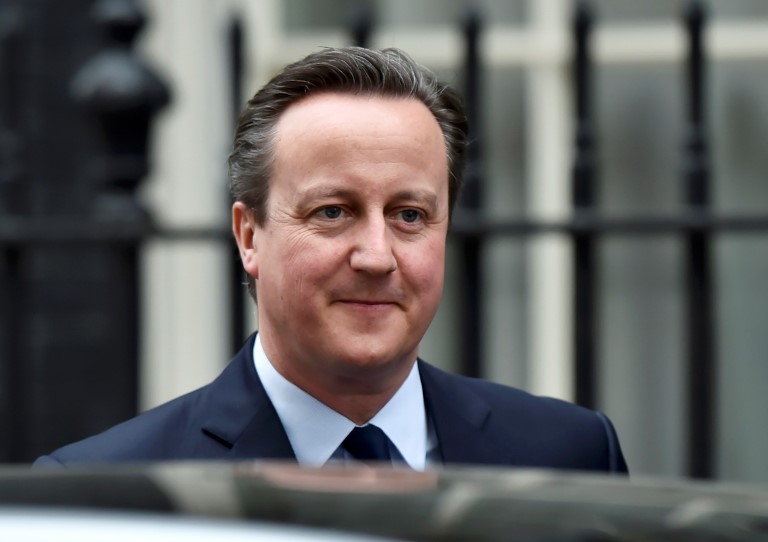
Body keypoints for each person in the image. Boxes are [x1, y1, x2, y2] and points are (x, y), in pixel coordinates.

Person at [35, 47, 627, 473]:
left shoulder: (571, 456)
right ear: (249, 236)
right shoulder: (109, 491)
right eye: (333, 212)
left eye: (410, 216)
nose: (376, 256)